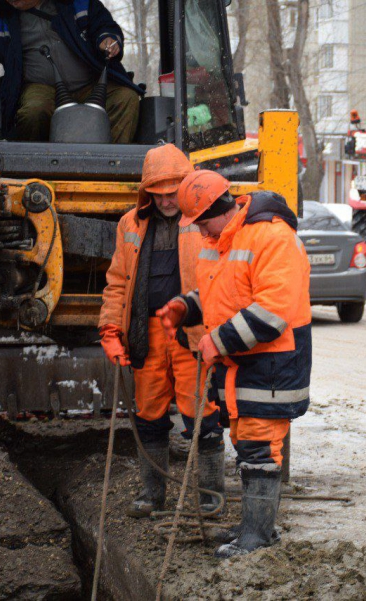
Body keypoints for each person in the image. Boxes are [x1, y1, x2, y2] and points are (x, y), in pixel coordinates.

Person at [157, 170, 312, 558]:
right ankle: (254, 526)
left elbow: (273, 311)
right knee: (247, 445)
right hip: (243, 366)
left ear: (218, 209)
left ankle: (258, 536)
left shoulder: (273, 238)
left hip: (273, 366)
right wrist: (186, 307)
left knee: (260, 448)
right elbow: (220, 294)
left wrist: (216, 341)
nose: (200, 232)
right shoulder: (221, 239)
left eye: (202, 222)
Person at [98, 144, 225, 519]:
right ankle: (152, 496)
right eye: (160, 193)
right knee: (149, 415)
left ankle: (210, 497)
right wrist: (109, 327)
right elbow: (118, 281)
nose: (168, 200)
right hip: (146, 334)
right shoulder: (130, 224)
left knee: (202, 413)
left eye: (175, 191)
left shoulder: (202, 222)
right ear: (147, 191)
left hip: (191, 335)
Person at [0, 0, 142, 142]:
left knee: (126, 98)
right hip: (40, 86)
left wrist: (107, 39)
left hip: (91, 84)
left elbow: (105, 26)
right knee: (34, 110)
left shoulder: (79, 4)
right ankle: (33, 166)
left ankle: (111, 164)